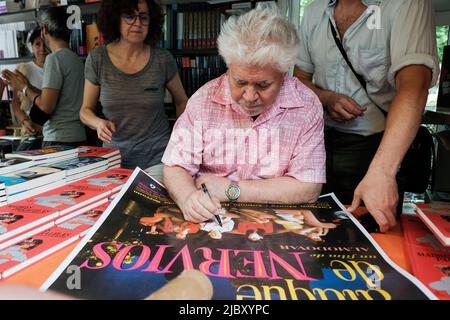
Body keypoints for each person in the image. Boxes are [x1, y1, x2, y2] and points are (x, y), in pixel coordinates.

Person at [162, 6, 326, 223]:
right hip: (211, 222)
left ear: (285, 73)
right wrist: (188, 198)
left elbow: (308, 187)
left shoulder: (306, 105)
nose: (249, 96)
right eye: (239, 82)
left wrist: (232, 190)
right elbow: (176, 165)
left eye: (263, 84)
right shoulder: (203, 100)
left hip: (275, 229)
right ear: (228, 66)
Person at [294, 0, 439, 232]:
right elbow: (299, 80)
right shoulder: (314, 10)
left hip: (376, 150)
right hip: (315, 147)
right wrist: (326, 97)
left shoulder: (405, 3)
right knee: (312, 234)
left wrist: (383, 171)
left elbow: (414, 85)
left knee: (368, 237)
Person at [79, 0, 188, 181]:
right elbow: (85, 111)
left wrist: (182, 139)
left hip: (157, 158)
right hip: (113, 161)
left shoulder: (162, 59)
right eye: (130, 16)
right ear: (116, 19)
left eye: (143, 17)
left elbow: (182, 101)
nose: (137, 23)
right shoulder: (97, 59)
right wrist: (98, 123)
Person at [2, 6, 87, 148]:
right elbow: (59, 98)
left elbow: (46, 106)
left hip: (59, 139)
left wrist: (24, 88)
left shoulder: (54, 59)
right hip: (78, 137)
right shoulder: (76, 59)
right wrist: (27, 85)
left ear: (45, 29)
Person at [9, 27, 48, 150]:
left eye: (45, 44)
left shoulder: (57, 68)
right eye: (37, 44)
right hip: (30, 130)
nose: (42, 48)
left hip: (52, 130)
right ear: (32, 47)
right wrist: (26, 122)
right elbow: (16, 104)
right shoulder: (24, 69)